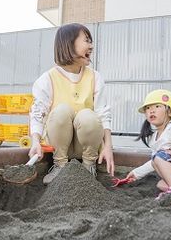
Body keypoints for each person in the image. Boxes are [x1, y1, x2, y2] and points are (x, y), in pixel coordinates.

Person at [29, 23, 115, 185]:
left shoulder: (95, 77)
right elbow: (37, 114)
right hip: (59, 147)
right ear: (69, 44)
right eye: (87, 41)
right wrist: (35, 142)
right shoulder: (47, 79)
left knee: (87, 115)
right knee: (61, 111)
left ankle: (89, 167)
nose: (91, 46)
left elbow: (103, 112)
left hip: (87, 148)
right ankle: (60, 166)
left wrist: (108, 146)